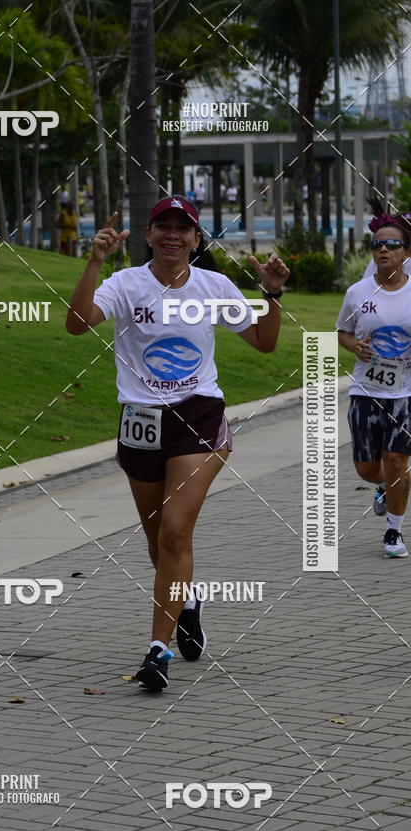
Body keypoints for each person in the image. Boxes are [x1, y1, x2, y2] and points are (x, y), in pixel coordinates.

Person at [66, 196, 289, 691]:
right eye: (162, 226)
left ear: (195, 238)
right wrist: (95, 260)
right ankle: (186, 602)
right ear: (148, 235)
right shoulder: (127, 283)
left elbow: (263, 342)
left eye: (182, 228)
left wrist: (272, 294)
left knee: (173, 531)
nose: (172, 235)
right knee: (157, 542)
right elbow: (78, 324)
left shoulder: (214, 285)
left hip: (199, 416)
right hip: (141, 420)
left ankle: (156, 652)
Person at [336, 211, 411, 558]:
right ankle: (383, 486)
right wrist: (355, 346)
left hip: (406, 392)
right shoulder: (357, 292)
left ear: (406, 252)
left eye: (392, 244)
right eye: (378, 245)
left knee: (397, 459)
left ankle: (394, 532)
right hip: (366, 390)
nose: (383, 250)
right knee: (368, 467)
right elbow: (344, 332)